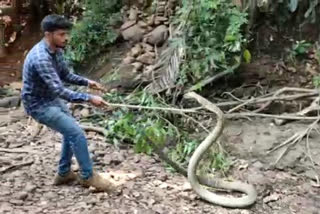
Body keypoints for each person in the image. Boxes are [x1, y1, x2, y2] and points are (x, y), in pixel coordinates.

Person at [21, 14, 114, 192]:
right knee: (76, 133)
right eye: (61, 34)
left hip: (50, 99)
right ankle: (88, 176)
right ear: (48, 34)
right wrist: (89, 98)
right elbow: (60, 90)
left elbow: (65, 75)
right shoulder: (41, 58)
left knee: (69, 132)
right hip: (38, 105)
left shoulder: (56, 50)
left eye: (66, 34)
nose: (66, 38)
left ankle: (63, 173)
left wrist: (87, 82)